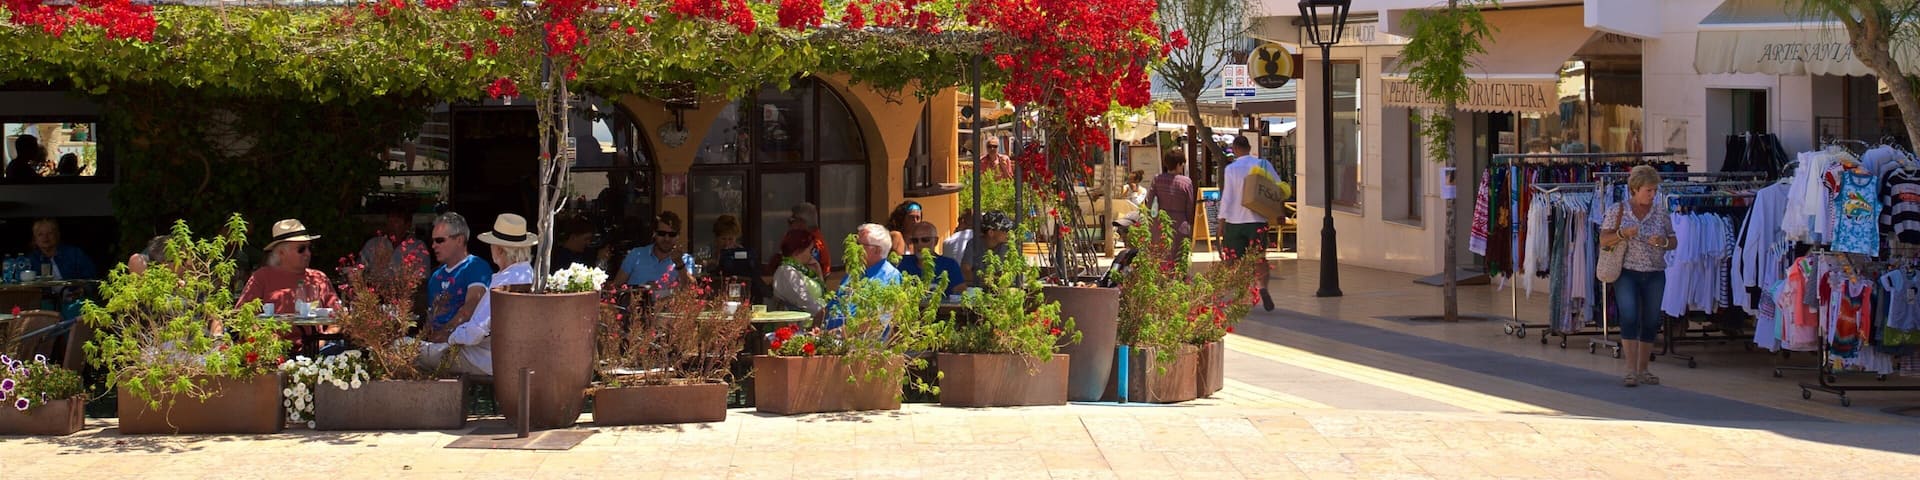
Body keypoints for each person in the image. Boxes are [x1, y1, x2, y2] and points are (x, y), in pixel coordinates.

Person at [417, 213, 538, 376]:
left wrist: (450, 337)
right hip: (515, 359)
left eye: (492, 244)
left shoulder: (504, 283)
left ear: (500, 249)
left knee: (401, 347)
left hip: (485, 360)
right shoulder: (528, 275)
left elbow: (475, 332)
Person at [1600, 165, 1675, 388]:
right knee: (1630, 317)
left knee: (1651, 320)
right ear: (1635, 189)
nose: (1652, 195)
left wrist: (1661, 242)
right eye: (1648, 191)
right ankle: (1630, 370)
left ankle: (1644, 369)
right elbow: (1604, 240)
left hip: (1654, 272)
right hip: (1627, 272)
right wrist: (1623, 234)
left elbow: (1673, 240)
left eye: (1654, 191)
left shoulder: (1660, 211)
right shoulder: (1618, 210)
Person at [236, 219, 342, 349]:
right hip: (271, 351)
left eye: (310, 247)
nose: (308, 253)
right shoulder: (262, 277)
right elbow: (242, 315)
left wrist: (323, 339)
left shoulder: (318, 277)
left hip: (314, 350)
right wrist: (267, 340)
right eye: (301, 249)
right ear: (281, 253)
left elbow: (340, 316)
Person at [1219, 135, 1275, 311]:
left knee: (1234, 260)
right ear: (1250, 148)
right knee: (1259, 258)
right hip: (1257, 219)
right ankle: (1263, 288)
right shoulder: (1263, 165)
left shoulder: (1231, 169)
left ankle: (1242, 293)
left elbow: (1227, 196)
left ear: (1235, 149)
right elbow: (1278, 187)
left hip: (1235, 221)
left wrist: (1221, 221)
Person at [424, 212, 493, 343]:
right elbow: (430, 318)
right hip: (435, 345)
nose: (433, 246)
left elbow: (472, 306)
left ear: (459, 240)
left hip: (461, 345)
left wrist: (445, 333)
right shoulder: (435, 276)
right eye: (432, 241)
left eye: (439, 240)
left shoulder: (476, 267)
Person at [822, 224, 903, 330]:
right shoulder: (855, 273)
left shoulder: (890, 277)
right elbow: (831, 306)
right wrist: (818, 327)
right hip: (829, 338)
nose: (854, 248)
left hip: (859, 343)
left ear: (877, 250)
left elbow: (877, 322)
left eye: (860, 245)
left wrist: (838, 333)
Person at [610, 211, 693, 293]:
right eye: (662, 233)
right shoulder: (636, 255)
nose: (667, 239)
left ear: (677, 236)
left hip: (670, 305)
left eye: (672, 234)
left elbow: (692, 291)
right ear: (654, 234)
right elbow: (614, 288)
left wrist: (680, 264)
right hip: (637, 305)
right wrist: (641, 289)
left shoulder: (686, 260)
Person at [358, 206, 429, 287]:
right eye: (389, 221)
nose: (391, 226)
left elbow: (423, 278)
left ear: (407, 225)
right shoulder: (373, 244)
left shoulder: (417, 247)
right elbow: (359, 269)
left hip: (404, 295)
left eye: (396, 222)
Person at [1147, 150, 1197, 260]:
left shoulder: (1157, 179)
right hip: (1180, 222)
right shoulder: (1186, 182)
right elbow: (1190, 205)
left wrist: (1151, 219)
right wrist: (1190, 223)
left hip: (1160, 223)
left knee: (1160, 256)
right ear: (1179, 164)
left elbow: (1149, 202)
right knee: (1179, 257)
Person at [708, 215, 765, 301]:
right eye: (723, 239)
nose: (727, 243)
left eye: (730, 239)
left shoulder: (743, 254)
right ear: (717, 238)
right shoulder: (711, 252)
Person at [898, 221, 964, 295]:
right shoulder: (902, 263)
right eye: (915, 240)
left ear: (935, 241)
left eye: (925, 240)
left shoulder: (949, 265)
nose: (919, 244)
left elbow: (959, 295)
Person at [772, 229, 826, 317]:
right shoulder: (787, 272)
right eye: (810, 250)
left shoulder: (803, 270)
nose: (812, 255)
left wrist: (818, 272)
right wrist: (825, 313)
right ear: (798, 251)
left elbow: (823, 294)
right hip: (800, 325)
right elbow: (805, 302)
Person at [26, 219, 97, 280]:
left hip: (75, 295)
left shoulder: (75, 254)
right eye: (40, 234)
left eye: (50, 233)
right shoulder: (30, 260)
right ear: (35, 239)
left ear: (57, 235)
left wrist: (83, 289)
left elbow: (91, 277)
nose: (45, 237)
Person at [771, 202, 831, 275]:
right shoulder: (798, 236)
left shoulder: (811, 241)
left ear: (801, 222)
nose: (789, 224)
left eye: (792, 221)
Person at [960, 212, 1014, 289]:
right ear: (991, 233)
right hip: (978, 291)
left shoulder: (1008, 246)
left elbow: (1012, 272)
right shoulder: (974, 244)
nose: (1008, 233)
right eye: (1004, 230)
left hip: (1001, 291)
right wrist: (988, 281)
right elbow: (965, 271)